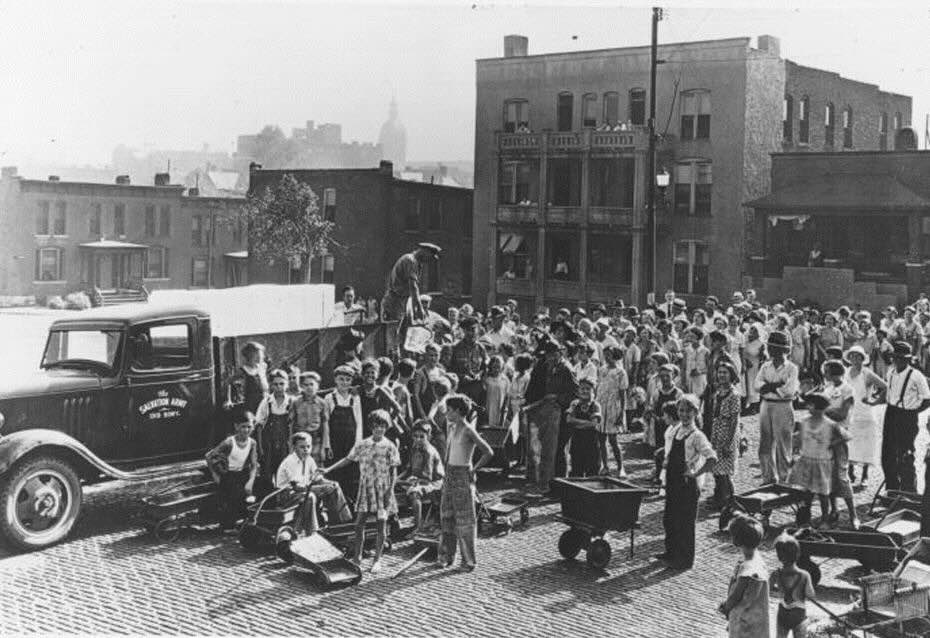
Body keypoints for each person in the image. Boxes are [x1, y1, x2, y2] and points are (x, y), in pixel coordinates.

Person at [323, 409, 401, 573]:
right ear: (371, 426)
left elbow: (393, 471)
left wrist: (389, 492)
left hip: (383, 490)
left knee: (381, 525)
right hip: (365, 488)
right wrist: (328, 469)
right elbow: (348, 459)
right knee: (359, 524)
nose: (379, 429)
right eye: (376, 426)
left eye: (383, 426)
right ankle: (357, 557)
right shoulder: (362, 444)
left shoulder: (390, 446)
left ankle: (377, 560)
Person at [657, 394, 716, 570]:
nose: (684, 415)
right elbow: (669, 452)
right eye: (681, 411)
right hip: (673, 480)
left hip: (687, 483)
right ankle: (671, 552)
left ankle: (684, 560)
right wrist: (666, 461)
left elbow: (712, 458)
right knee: (670, 518)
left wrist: (696, 473)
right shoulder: (676, 430)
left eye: (688, 411)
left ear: (695, 412)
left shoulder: (697, 436)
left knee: (685, 522)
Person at [435, 395, 494, 571]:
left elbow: (488, 452)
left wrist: (473, 469)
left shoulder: (468, 429)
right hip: (449, 475)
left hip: (462, 475)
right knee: (446, 516)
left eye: (450, 410)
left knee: (465, 520)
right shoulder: (452, 428)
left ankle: (468, 561)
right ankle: (446, 556)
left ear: (459, 411)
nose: (447, 413)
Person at [523, 337, 578, 495]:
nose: (550, 358)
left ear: (560, 353)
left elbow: (576, 393)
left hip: (563, 414)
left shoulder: (567, 369)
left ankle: (559, 487)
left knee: (560, 450)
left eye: (553, 354)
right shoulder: (547, 366)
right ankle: (550, 483)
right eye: (548, 355)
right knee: (549, 450)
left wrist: (558, 398)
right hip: (549, 415)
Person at [276, 432, 353, 533]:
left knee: (334, 487)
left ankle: (341, 524)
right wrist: (321, 489)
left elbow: (318, 478)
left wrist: (330, 484)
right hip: (287, 495)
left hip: (300, 491)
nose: (306, 450)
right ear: (294, 447)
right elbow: (297, 487)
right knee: (310, 496)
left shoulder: (309, 459)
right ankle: (313, 530)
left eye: (308, 446)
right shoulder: (290, 462)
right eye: (302, 447)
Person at [879, 341, 930, 492]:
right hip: (891, 413)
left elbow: (927, 399)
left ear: (908, 360)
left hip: (907, 416)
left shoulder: (916, 375)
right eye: (896, 358)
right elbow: (888, 392)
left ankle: (908, 489)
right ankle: (892, 487)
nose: (898, 361)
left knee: (905, 453)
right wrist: (875, 402)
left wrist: (913, 411)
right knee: (888, 453)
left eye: (902, 359)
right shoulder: (891, 372)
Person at [789, 392, 843, 526]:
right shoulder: (805, 421)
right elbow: (799, 438)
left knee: (823, 493)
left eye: (811, 405)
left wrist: (832, 443)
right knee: (807, 492)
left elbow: (846, 436)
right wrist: (794, 449)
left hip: (822, 462)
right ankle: (806, 517)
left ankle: (825, 518)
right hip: (807, 460)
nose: (808, 407)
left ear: (819, 407)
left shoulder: (829, 424)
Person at [754, 331, 799, 484]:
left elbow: (788, 391)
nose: (771, 350)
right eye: (770, 347)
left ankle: (784, 479)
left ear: (784, 350)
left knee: (783, 444)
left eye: (775, 347)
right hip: (766, 405)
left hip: (783, 407)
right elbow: (756, 386)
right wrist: (775, 385)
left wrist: (768, 387)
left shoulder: (792, 368)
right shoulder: (765, 366)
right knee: (765, 443)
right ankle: (768, 477)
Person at [205, 410, 259, 533]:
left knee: (254, 493)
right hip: (228, 474)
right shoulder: (229, 442)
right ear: (236, 427)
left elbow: (254, 464)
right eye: (243, 427)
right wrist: (215, 475)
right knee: (232, 496)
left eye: (249, 427)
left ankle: (246, 521)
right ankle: (228, 526)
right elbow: (209, 456)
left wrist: (251, 481)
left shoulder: (252, 443)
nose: (246, 430)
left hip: (242, 474)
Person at [719, 513, 770, 638]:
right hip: (757, 618)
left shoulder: (746, 570)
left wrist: (725, 607)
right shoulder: (757, 560)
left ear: (736, 541)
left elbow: (736, 595)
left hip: (744, 619)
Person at [822, 359, 858, 529]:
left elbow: (842, 414)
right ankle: (834, 510)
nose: (825, 374)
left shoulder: (847, 389)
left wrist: (825, 410)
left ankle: (853, 515)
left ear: (835, 372)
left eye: (827, 371)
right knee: (828, 476)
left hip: (840, 435)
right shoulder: (827, 389)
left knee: (842, 476)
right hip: (826, 435)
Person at [843, 345, 886, 487]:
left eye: (858, 356)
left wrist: (874, 401)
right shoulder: (846, 372)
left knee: (867, 444)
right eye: (852, 356)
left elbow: (885, 386)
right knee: (850, 442)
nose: (855, 359)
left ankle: (865, 475)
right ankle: (850, 471)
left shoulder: (867, 373)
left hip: (866, 413)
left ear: (863, 359)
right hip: (851, 413)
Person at [397, 419, 445, 532]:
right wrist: (397, 479)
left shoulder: (429, 451)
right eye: (415, 436)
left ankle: (418, 527)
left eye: (421, 436)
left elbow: (427, 478)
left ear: (428, 436)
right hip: (417, 479)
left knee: (415, 493)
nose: (418, 439)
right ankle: (394, 523)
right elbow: (408, 469)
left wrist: (406, 482)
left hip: (434, 482)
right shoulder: (414, 447)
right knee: (393, 487)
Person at [324, 365, 364, 496]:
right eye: (341, 379)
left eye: (348, 380)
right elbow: (326, 423)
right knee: (335, 474)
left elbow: (359, 423)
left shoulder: (355, 398)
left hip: (351, 442)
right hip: (335, 443)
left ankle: (351, 510)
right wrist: (327, 444)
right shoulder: (329, 398)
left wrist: (357, 444)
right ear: (335, 380)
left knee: (351, 475)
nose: (344, 383)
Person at [255, 369, 296, 488]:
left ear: (287, 384)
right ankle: (269, 500)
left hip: (285, 441)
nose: (279, 387)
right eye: (275, 384)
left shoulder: (292, 401)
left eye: (282, 384)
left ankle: (283, 499)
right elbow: (259, 425)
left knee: (284, 470)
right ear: (271, 385)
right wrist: (261, 447)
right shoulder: (267, 402)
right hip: (269, 442)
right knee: (267, 471)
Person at [771, 531, 816, 638]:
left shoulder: (776, 574)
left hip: (782, 614)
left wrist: (779, 593)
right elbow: (811, 595)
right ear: (797, 554)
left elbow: (766, 589)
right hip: (798, 615)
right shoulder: (804, 575)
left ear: (779, 556)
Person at [710, 362, 742, 509]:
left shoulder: (734, 395)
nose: (721, 375)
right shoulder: (718, 392)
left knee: (725, 471)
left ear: (731, 375)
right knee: (716, 468)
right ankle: (719, 497)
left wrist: (729, 442)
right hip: (717, 431)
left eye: (725, 372)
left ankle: (730, 500)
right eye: (720, 372)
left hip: (727, 432)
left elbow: (735, 420)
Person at [596, 345, 627, 476]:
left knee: (613, 440)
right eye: (605, 354)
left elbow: (622, 393)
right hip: (601, 405)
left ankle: (621, 467)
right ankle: (605, 465)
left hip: (614, 406)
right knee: (601, 438)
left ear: (614, 355)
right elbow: (599, 386)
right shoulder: (602, 369)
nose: (606, 357)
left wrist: (621, 413)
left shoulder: (621, 372)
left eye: (609, 354)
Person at [566, 378, 601, 478]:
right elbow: (568, 419)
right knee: (576, 470)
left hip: (592, 442)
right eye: (582, 389)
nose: (585, 391)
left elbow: (594, 424)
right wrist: (586, 422)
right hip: (577, 441)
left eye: (588, 389)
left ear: (593, 391)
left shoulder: (595, 405)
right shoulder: (574, 404)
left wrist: (576, 422)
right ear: (578, 391)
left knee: (592, 471)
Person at [292, 371, 330, 465]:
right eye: (306, 385)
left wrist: (325, 446)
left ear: (317, 386)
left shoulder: (322, 403)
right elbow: (292, 424)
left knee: (316, 466)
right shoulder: (296, 402)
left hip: (316, 439)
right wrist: (291, 445)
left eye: (312, 384)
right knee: (299, 466)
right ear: (301, 386)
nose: (309, 387)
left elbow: (325, 425)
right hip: (300, 438)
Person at [226, 341, 268, 415]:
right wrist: (228, 400)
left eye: (261, 355)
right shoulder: (244, 370)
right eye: (257, 355)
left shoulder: (263, 367)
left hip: (265, 401)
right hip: (251, 404)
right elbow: (228, 382)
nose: (261, 357)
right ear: (250, 356)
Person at [483, 355, 510, 428]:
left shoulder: (505, 380)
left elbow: (506, 397)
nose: (496, 369)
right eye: (494, 367)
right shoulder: (486, 379)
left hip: (499, 409)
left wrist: (504, 411)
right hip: (488, 408)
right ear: (491, 366)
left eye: (499, 367)